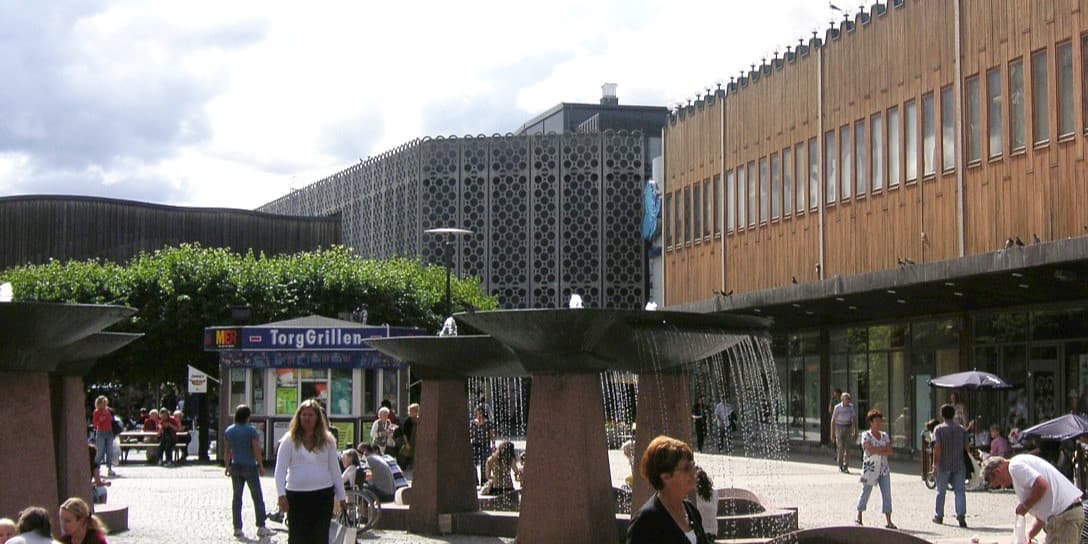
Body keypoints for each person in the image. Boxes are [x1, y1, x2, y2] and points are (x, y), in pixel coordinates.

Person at [274, 399, 347, 544]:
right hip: (296, 496)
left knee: (319, 537)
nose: (307, 418)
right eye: (304, 415)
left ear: (317, 418)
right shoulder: (289, 440)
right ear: (298, 417)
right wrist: (281, 495)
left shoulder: (328, 440)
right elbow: (280, 469)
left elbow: (334, 469)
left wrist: (342, 496)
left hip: (322, 495)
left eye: (311, 415)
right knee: (297, 537)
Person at [627, 435, 711, 544]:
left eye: (692, 464)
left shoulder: (691, 510)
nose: (694, 471)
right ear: (665, 476)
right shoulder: (645, 521)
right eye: (686, 468)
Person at [982, 454, 1085, 543]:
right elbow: (1041, 514)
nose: (1003, 485)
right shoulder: (1020, 465)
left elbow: (1042, 485)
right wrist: (1029, 535)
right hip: (1069, 513)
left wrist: (1024, 506)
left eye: (999, 482)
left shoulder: (1015, 467)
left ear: (998, 471)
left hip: (1063, 517)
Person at [223, 404, 273, 539]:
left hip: (235, 466)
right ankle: (261, 526)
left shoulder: (229, 430)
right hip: (249, 466)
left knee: (237, 498)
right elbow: (256, 449)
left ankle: (237, 528)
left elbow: (227, 450)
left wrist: (227, 466)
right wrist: (261, 465)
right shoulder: (251, 431)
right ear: (247, 416)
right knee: (257, 496)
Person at [855, 409, 896, 529]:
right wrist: (881, 450)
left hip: (884, 468)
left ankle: (889, 520)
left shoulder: (884, 435)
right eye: (876, 421)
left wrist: (878, 450)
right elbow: (868, 449)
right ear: (871, 422)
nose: (879, 424)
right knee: (865, 492)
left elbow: (889, 451)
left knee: (887, 494)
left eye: (880, 421)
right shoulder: (866, 435)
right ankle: (859, 515)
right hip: (870, 466)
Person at [932, 403, 970, 528]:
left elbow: (937, 448)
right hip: (959, 463)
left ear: (942, 415)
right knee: (960, 491)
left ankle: (939, 516)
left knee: (941, 491)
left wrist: (934, 465)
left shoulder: (938, 429)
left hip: (943, 463)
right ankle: (961, 516)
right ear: (953, 415)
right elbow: (967, 448)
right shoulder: (961, 429)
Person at [830, 392, 857, 473]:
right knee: (841, 447)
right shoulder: (837, 407)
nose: (847, 400)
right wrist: (832, 433)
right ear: (842, 399)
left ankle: (846, 466)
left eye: (848, 399)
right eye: (846, 398)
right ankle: (840, 465)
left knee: (847, 448)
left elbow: (854, 419)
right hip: (839, 427)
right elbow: (833, 420)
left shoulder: (851, 407)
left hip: (848, 427)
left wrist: (855, 431)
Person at [91, 396, 116, 478]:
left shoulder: (108, 410)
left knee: (109, 451)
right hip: (100, 432)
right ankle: (96, 469)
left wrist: (108, 415)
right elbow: (94, 423)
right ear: (98, 404)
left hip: (109, 432)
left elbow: (112, 420)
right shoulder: (96, 412)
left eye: (105, 402)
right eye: (102, 403)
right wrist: (100, 419)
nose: (104, 404)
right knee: (99, 451)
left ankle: (110, 468)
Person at [469, 407, 495, 486]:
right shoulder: (472, 423)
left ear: (483, 413)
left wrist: (493, 444)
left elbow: (491, 434)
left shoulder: (488, 423)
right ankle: (475, 481)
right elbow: (470, 434)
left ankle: (484, 480)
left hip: (485, 444)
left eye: (480, 413)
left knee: (485, 463)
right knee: (473, 463)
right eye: (477, 413)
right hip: (474, 445)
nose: (479, 415)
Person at [695, 469, 718, 540]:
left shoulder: (695, 495)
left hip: (701, 532)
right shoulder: (715, 493)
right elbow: (715, 511)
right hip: (713, 531)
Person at [399, 403, 419, 469]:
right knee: (405, 454)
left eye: (411, 411)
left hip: (417, 441)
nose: (409, 412)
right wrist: (406, 443)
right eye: (409, 411)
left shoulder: (420, 419)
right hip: (409, 440)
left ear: (416, 411)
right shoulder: (408, 421)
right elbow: (404, 433)